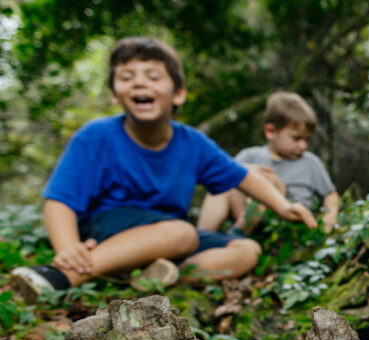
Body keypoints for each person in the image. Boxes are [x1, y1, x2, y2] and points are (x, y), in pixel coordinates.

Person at [12, 36, 316, 303]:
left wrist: (284, 207)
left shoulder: (193, 144)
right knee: (182, 232)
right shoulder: (96, 136)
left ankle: (158, 275)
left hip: (170, 239)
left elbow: (243, 176)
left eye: (153, 76)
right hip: (110, 229)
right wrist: (68, 248)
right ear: (115, 95)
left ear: (178, 93)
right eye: (127, 77)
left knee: (247, 251)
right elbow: (60, 200)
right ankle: (63, 276)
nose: (140, 83)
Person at [196, 91, 339, 234]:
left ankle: (235, 236)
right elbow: (227, 177)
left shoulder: (310, 163)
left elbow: (330, 194)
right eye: (296, 138)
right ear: (270, 131)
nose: (303, 146)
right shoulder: (250, 155)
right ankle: (203, 237)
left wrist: (329, 218)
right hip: (249, 220)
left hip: (288, 227)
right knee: (229, 179)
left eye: (306, 139)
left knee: (268, 180)